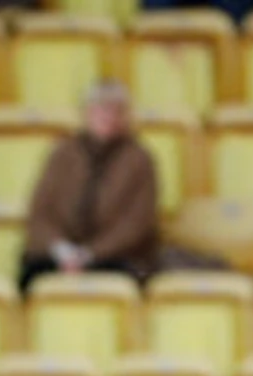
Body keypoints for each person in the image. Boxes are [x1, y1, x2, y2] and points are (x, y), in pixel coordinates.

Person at [23, 83, 163, 285]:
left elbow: (137, 223)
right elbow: (40, 213)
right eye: (100, 109)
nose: (108, 116)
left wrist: (90, 254)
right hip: (60, 255)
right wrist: (62, 250)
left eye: (116, 110)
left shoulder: (139, 159)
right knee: (32, 276)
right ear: (86, 113)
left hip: (117, 257)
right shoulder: (62, 154)